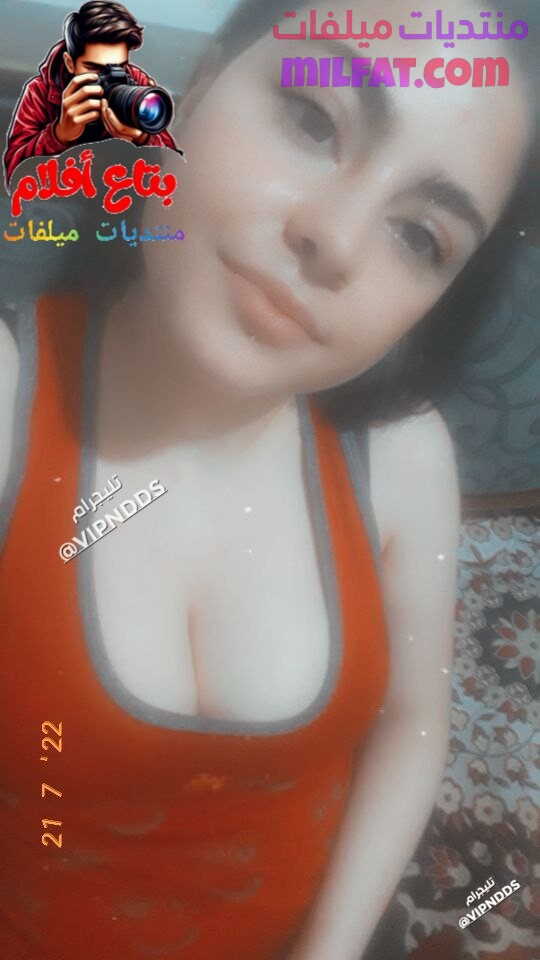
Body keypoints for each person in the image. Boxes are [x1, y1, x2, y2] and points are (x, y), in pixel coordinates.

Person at [0, 0, 536, 958]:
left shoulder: (404, 458)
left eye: (421, 236)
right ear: (199, 86)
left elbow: (413, 724)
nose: (335, 236)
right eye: (314, 119)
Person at [3, 0, 178, 188]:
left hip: (118, 192)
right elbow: (14, 176)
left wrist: (143, 138)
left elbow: (174, 168)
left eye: (119, 67)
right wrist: (59, 135)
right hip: (65, 192)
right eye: (94, 68)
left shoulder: (137, 83)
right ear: (70, 63)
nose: (112, 77)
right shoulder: (42, 90)